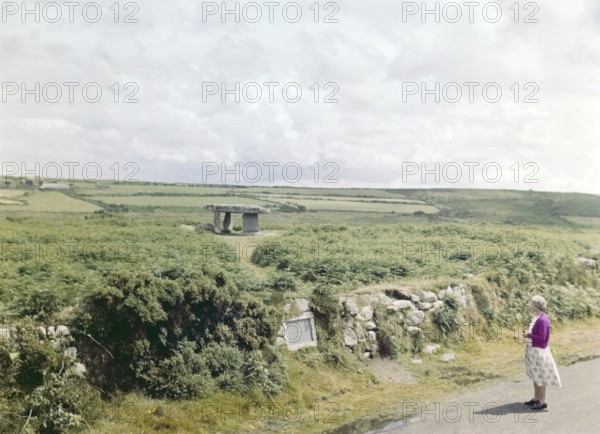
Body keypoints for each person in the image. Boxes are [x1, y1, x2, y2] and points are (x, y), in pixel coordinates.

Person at [522, 295, 561, 410]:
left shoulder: (543, 319)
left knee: (540, 375)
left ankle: (543, 401)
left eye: (532, 304)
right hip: (533, 349)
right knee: (535, 374)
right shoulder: (537, 317)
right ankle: (536, 398)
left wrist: (528, 335)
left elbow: (543, 338)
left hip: (539, 351)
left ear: (537, 306)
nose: (530, 305)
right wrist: (528, 333)